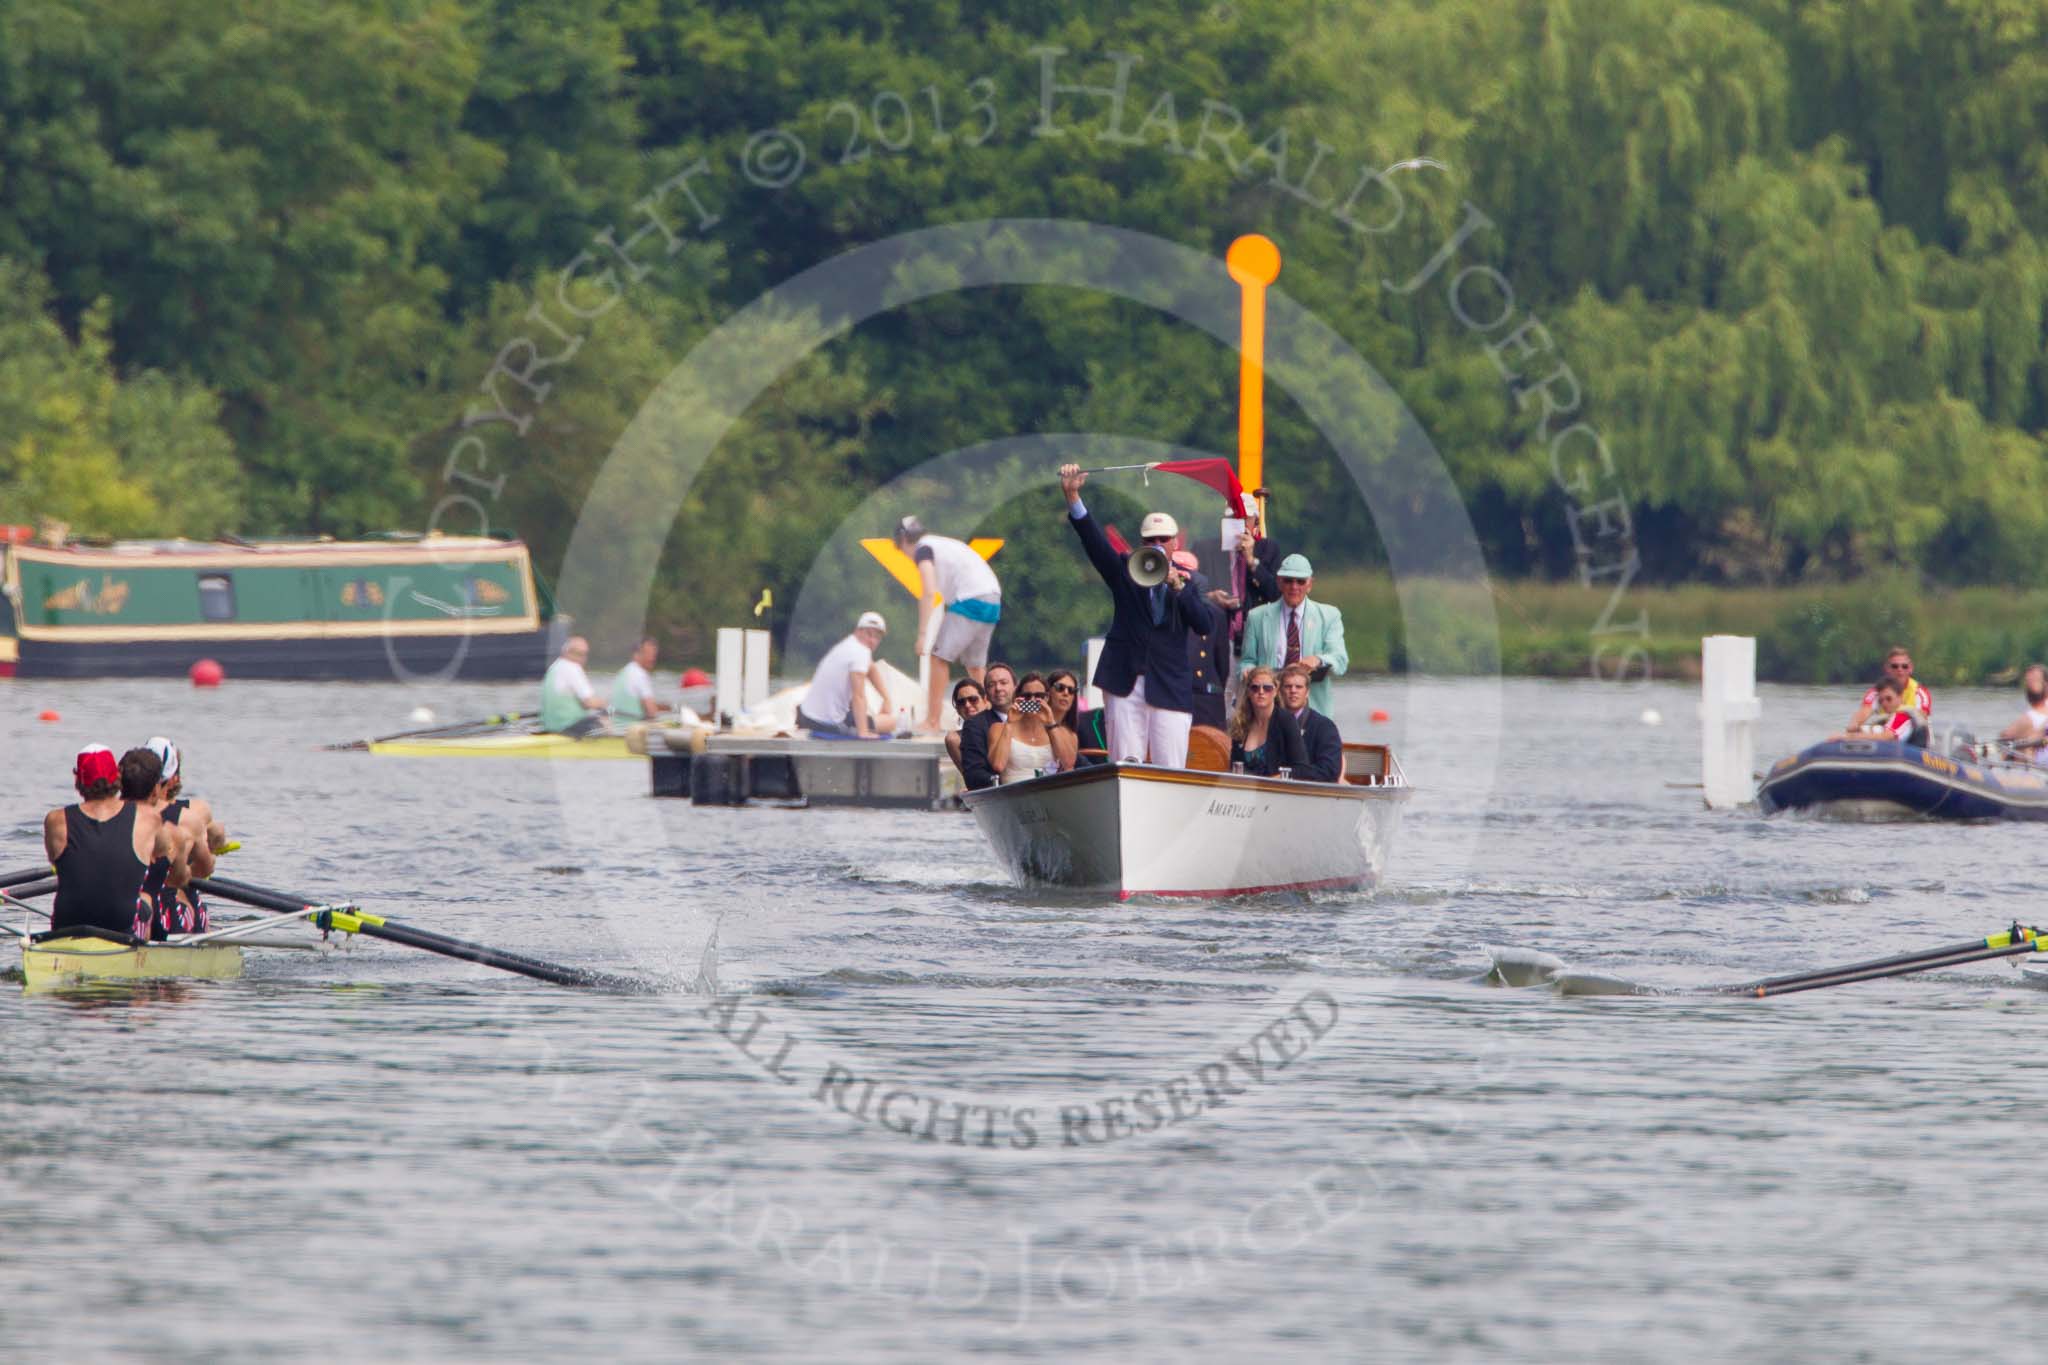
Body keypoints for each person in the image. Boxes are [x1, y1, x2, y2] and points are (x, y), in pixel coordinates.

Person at [1058, 462, 1216, 767]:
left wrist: (1178, 587)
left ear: (1174, 543)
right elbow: (1094, 543)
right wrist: (1073, 498)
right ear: (1141, 543)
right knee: (1125, 763)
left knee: (1170, 764)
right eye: (1150, 540)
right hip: (1125, 680)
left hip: (1169, 684)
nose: (1157, 546)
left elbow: (1204, 623)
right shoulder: (1124, 571)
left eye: (1163, 540)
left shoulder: (1194, 581)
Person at [44, 746, 189, 940]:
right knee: (146, 897)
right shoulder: (147, 818)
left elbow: (56, 861)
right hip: (120, 931)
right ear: (117, 779)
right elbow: (163, 850)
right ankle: (141, 956)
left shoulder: (55, 820)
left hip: (66, 926)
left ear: (77, 780)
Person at [894, 515, 1003, 735]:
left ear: (904, 541)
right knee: (975, 666)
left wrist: (923, 634)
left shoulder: (923, 549)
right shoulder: (943, 543)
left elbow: (928, 590)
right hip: (993, 598)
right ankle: (990, 718)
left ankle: (932, 722)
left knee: (938, 658)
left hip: (970, 598)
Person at [1240, 554, 1349, 717]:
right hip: (1269, 711)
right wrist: (1247, 671)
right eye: (1288, 580)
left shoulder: (1329, 615)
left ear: (1310, 584)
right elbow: (1247, 661)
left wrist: (1319, 660)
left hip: (1313, 710)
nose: (1294, 586)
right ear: (1279, 582)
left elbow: (1340, 659)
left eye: (1300, 581)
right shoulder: (1257, 617)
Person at [139, 736, 221, 936]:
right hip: (171, 910)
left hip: (131, 906)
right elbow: (203, 871)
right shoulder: (195, 812)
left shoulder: (114, 811)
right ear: (175, 777)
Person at [797, 611, 899, 738]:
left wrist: (886, 698)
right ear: (858, 631)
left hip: (808, 715)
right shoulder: (860, 652)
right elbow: (859, 696)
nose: (872, 641)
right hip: (827, 722)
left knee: (874, 716)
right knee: (892, 722)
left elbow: (871, 667)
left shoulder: (849, 644)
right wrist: (863, 732)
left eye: (877, 637)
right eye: (869, 634)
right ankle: (861, 728)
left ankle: (863, 724)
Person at [1175, 550, 1236, 731]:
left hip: (1205, 698)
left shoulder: (1214, 613)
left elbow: (1221, 661)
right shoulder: (1161, 609)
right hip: (1172, 693)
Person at [988, 673, 1078, 782]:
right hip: (1013, 794)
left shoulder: (1063, 732)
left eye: (1039, 696)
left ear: (1047, 698)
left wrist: (1051, 723)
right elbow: (998, 765)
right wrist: (1009, 723)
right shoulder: (999, 728)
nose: (1032, 700)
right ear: (1017, 697)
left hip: (1049, 793)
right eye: (1027, 696)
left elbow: (1068, 764)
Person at [1229, 666, 1310, 777]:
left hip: (1275, 790)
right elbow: (1233, 766)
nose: (1261, 692)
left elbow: (1302, 768)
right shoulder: (1240, 723)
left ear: (1276, 691)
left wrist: (1273, 781)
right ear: (1248, 692)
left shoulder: (1286, 720)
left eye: (1267, 688)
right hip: (1244, 790)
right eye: (1255, 688)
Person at [953, 661, 1014, 789]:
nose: (998, 688)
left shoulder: (1032, 718)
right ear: (987, 693)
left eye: (1003, 683)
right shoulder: (974, 726)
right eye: (992, 685)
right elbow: (973, 774)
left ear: (1015, 687)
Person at [1277, 663, 1343, 781]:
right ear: (1280, 691)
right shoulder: (1271, 722)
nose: (1293, 691)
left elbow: (1329, 770)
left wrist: (1289, 775)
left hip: (1310, 792)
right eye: (1288, 686)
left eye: (1298, 687)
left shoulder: (1325, 727)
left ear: (1307, 692)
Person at [1846, 647, 1931, 732]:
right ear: (1887, 669)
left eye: (1904, 666)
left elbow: (1922, 716)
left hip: (1913, 734)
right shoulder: (1877, 692)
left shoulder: (1920, 692)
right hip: (1887, 732)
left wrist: (1897, 715)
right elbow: (1864, 711)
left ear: (1910, 668)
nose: (1900, 669)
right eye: (1895, 666)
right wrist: (1854, 724)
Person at [541, 636, 608, 737]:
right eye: (579, 654)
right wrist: (606, 705)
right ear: (567, 652)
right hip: (568, 729)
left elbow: (585, 703)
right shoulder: (573, 668)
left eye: (585, 654)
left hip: (550, 728)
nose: (583, 659)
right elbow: (589, 702)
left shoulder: (554, 667)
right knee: (603, 720)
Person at [1833, 675, 1925, 745]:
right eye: (1881, 701)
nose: (1884, 703)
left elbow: (1886, 737)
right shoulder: (1886, 720)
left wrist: (1846, 737)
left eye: (1889, 699)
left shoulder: (1902, 716)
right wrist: (1856, 730)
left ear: (1900, 697)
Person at [610, 637, 666, 722]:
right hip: (629, 729)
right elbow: (651, 711)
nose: (652, 659)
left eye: (653, 654)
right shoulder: (639, 674)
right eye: (647, 654)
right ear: (636, 655)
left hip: (615, 726)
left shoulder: (624, 671)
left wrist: (665, 708)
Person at [1999, 664, 2048, 762]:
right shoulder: (2029, 717)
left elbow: (2007, 736)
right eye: (2028, 681)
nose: (2030, 684)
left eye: (2035, 680)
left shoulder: (2028, 719)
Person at [943, 676, 989, 777]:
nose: (967, 705)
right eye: (961, 702)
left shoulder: (999, 725)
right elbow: (971, 778)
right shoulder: (954, 739)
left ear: (985, 700)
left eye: (973, 699)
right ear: (957, 709)